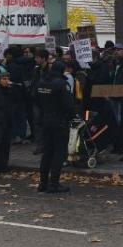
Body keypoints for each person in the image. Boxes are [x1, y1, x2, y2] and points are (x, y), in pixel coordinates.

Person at [34, 60, 76, 193]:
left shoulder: (42, 81)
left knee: (47, 152)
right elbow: (68, 105)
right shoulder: (61, 84)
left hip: (45, 120)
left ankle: (43, 183)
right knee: (59, 153)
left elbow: (36, 100)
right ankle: (54, 183)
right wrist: (72, 116)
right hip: (59, 121)